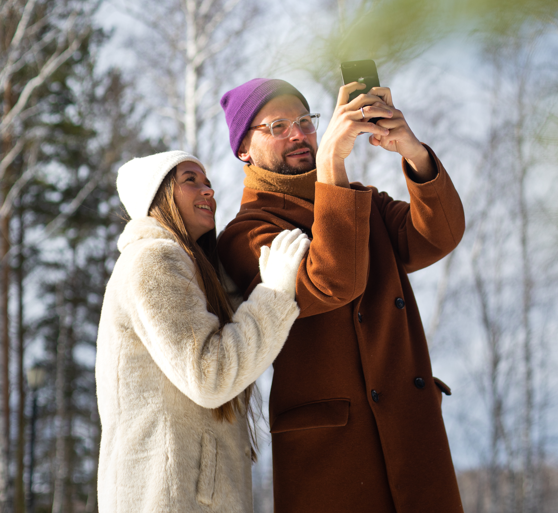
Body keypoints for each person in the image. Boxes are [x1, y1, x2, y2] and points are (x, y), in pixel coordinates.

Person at [217, 78, 466, 513]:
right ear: (243, 149)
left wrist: (413, 151)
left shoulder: (359, 201)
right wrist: (332, 163)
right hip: (334, 460)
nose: (298, 134)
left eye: (304, 121)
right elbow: (330, 281)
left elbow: (439, 236)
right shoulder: (245, 235)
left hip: (412, 439)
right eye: (277, 126)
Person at [95, 150, 310, 513]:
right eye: (190, 180)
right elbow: (211, 375)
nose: (208, 190)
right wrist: (273, 294)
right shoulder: (153, 260)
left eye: (208, 182)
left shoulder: (193, 270)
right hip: (168, 498)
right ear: (156, 196)